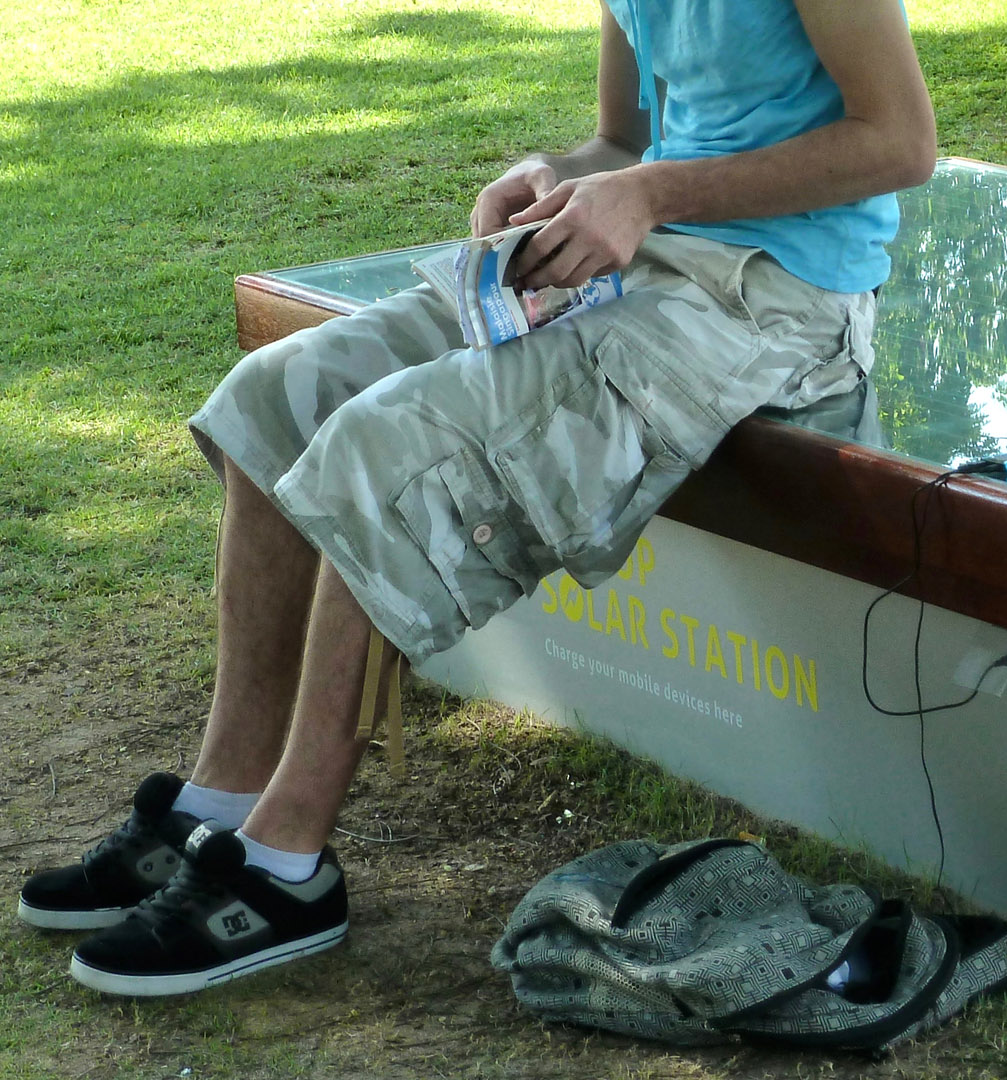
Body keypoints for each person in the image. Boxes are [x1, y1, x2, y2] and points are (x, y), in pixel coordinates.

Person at [15, 0, 935, 997]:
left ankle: (283, 867)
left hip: (779, 302)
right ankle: (220, 801)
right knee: (271, 397)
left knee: (386, 443)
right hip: (643, 263)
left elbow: (899, 141)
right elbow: (622, 140)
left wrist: (648, 192)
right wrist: (556, 174)